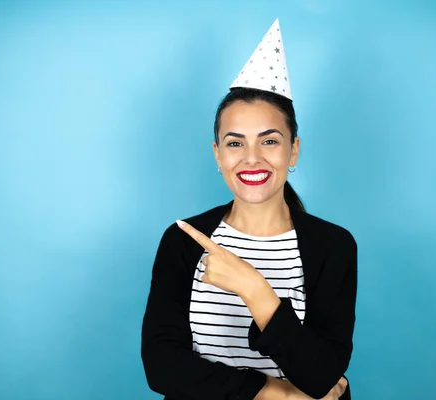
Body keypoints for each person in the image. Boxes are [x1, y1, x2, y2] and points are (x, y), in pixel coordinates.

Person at [141, 19, 358, 400]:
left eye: (269, 141)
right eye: (235, 143)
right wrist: (278, 393)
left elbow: (323, 375)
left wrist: (253, 287)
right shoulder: (183, 241)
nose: (252, 159)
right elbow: (162, 366)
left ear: (293, 150)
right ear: (218, 155)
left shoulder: (333, 246)